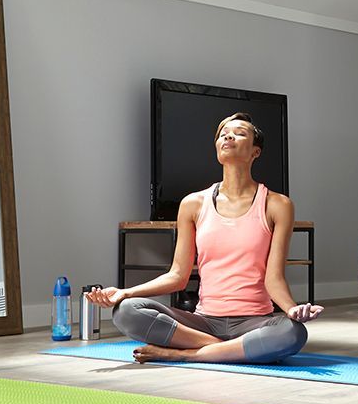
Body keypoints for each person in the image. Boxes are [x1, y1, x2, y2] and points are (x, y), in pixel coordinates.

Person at [85, 112, 323, 363]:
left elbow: (273, 278)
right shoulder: (193, 204)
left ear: (255, 152)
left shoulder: (277, 205)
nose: (228, 136)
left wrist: (291, 309)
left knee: (292, 333)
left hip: (254, 322)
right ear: (217, 147)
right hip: (203, 323)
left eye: (240, 133)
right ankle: (227, 350)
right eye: (223, 134)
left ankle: (185, 355)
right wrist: (124, 292)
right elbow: (178, 276)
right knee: (126, 311)